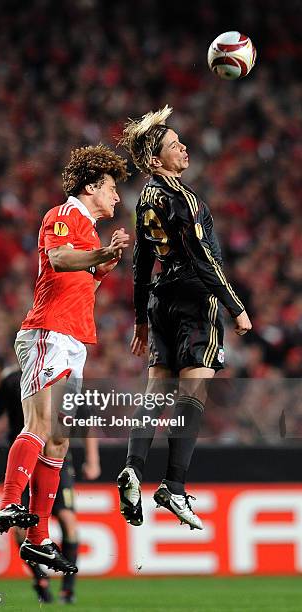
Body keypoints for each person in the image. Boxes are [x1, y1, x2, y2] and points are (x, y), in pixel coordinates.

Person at [0, 144, 129, 574]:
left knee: (60, 440)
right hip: (47, 333)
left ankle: (38, 538)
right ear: (90, 186)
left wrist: (101, 268)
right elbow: (58, 258)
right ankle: (10, 504)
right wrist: (99, 256)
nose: (117, 197)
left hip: (72, 340)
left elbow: (78, 285)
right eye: (110, 188)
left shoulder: (87, 229)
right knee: (40, 424)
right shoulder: (64, 215)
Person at [117, 106, 252, 529]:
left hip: (162, 299)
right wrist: (235, 306)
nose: (184, 147)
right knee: (192, 396)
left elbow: (141, 262)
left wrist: (141, 318)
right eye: (175, 145)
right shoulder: (184, 199)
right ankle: (174, 488)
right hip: (197, 299)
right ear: (157, 160)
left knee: (156, 391)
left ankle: (134, 468)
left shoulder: (144, 201)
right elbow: (202, 257)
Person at [0, 366, 100, 603]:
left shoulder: (67, 380)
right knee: (19, 529)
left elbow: (86, 422)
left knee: (68, 520)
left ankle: (68, 588)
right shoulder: (13, 380)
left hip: (58, 461)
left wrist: (93, 460)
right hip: (24, 459)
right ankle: (40, 577)